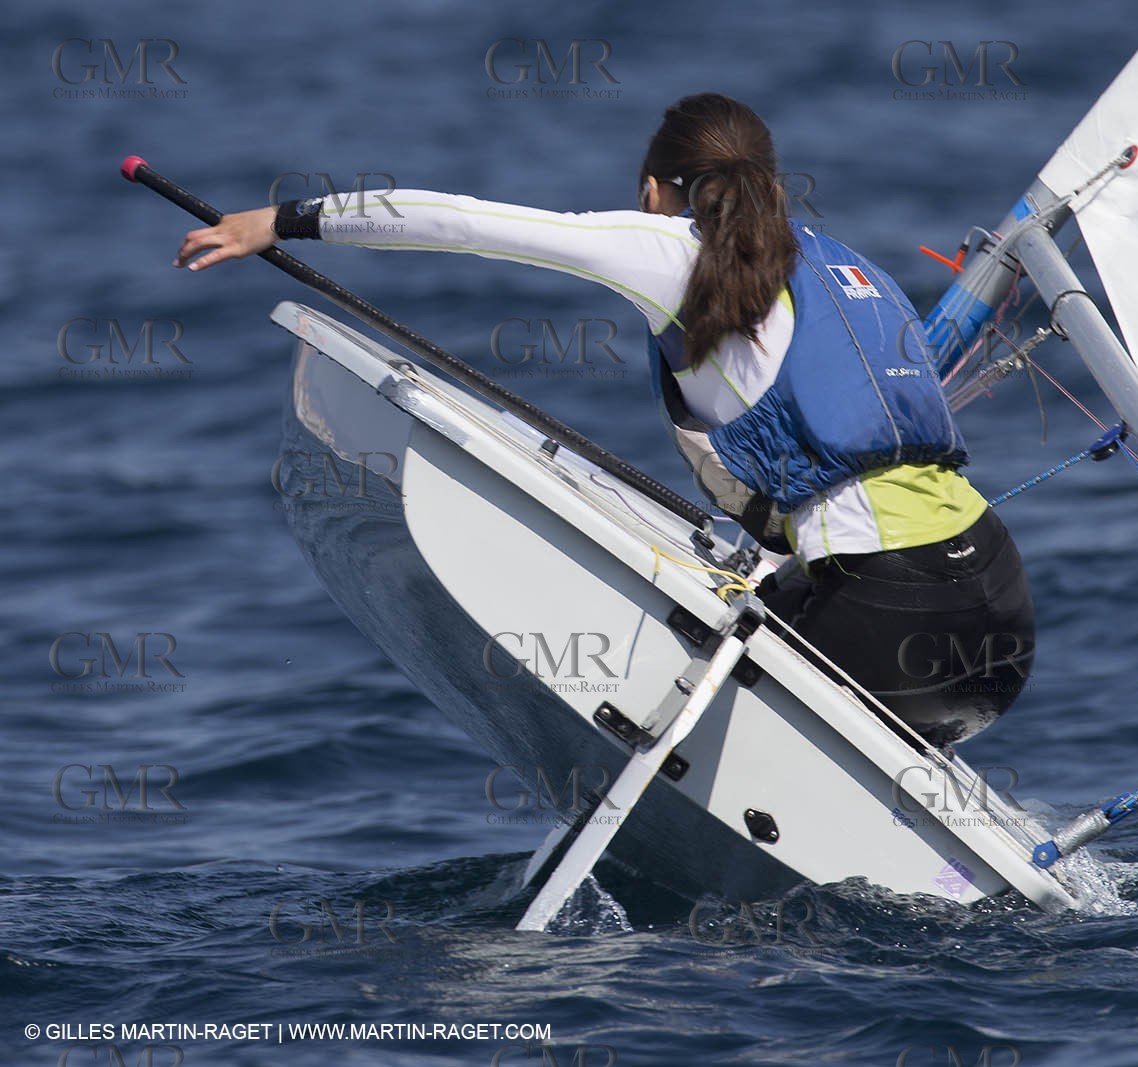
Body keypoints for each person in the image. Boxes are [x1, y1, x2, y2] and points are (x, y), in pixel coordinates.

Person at [175, 92, 1034, 745]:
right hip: (1000, 618)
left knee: (666, 691)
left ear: (654, 190)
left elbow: (468, 224)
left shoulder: (672, 247)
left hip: (889, 611)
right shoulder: (852, 269)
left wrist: (279, 221)